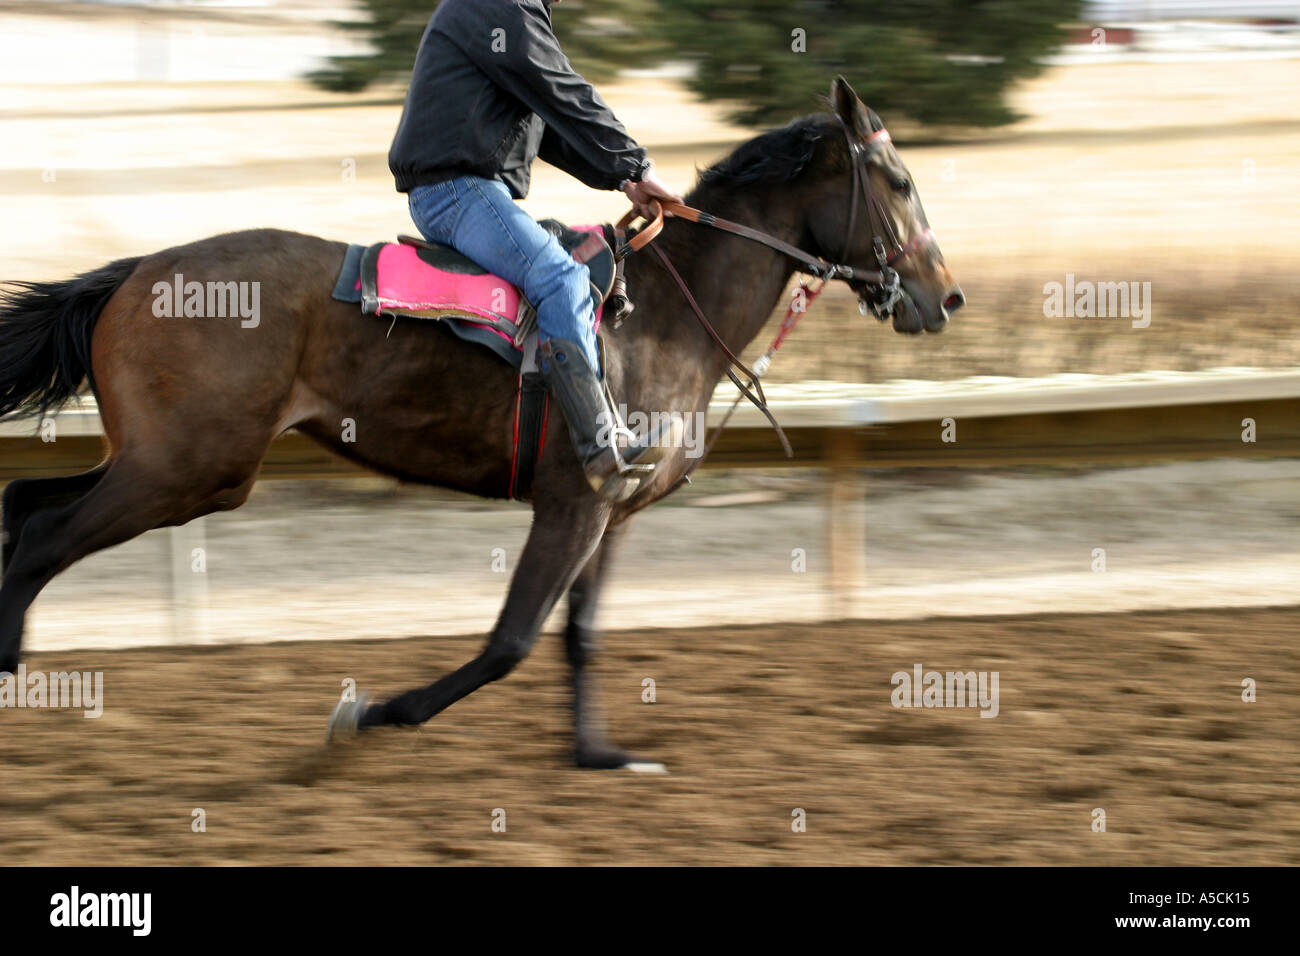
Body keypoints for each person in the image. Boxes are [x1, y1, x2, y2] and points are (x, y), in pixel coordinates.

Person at [388, 0, 683, 500]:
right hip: (456, 191)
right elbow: (563, 91)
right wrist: (634, 164)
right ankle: (599, 448)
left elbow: (551, 122)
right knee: (561, 279)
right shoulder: (502, 5)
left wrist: (625, 180)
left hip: (467, 188)